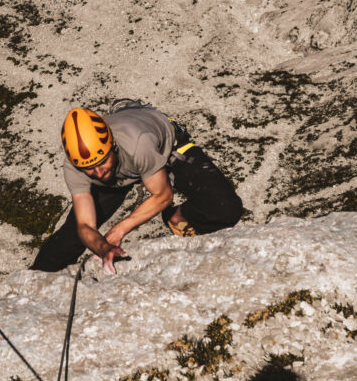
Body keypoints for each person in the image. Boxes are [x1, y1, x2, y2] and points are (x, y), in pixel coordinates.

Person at [30, 100, 242, 273]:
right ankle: (33, 281)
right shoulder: (75, 166)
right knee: (69, 239)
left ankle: (178, 217)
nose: (98, 173)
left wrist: (119, 229)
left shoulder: (139, 143)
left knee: (225, 209)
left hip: (165, 149)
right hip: (125, 168)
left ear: (112, 146)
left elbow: (162, 195)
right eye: (90, 170)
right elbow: (85, 226)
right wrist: (104, 248)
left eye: (102, 162)